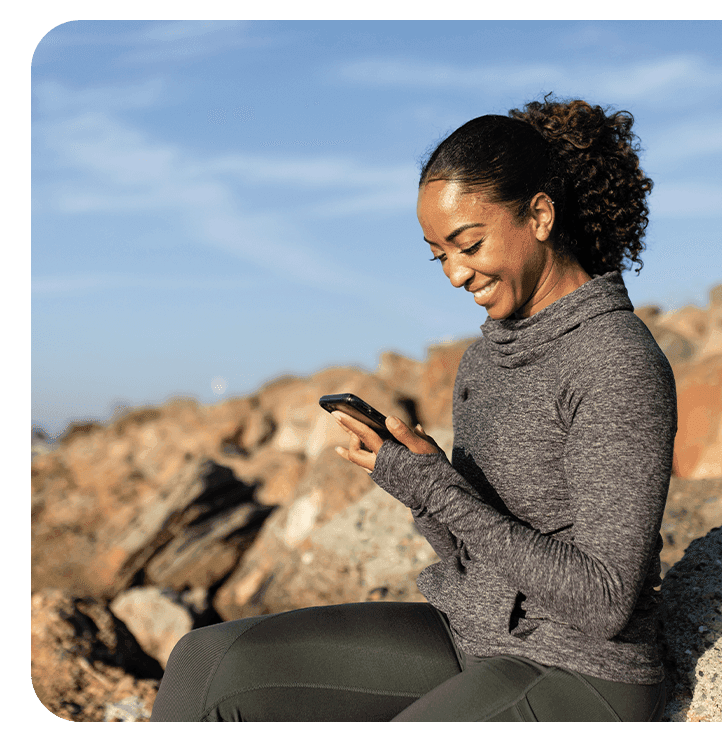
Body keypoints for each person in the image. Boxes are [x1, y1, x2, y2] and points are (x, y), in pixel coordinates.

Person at [150, 96, 677, 722]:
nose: (455, 275)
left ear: (539, 215)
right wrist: (419, 485)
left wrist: (439, 492)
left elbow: (603, 600)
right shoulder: (485, 361)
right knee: (207, 663)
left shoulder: (614, 360)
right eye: (439, 255)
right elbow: (471, 552)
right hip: (472, 639)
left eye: (469, 245)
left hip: (581, 672)